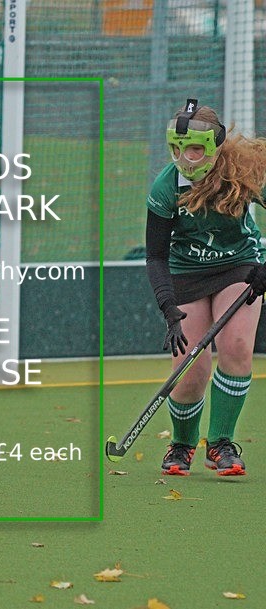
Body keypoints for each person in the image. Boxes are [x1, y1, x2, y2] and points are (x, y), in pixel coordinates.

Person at [146, 98, 266, 476]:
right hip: (186, 274)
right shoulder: (166, 187)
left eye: (196, 148)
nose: (186, 158)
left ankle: (221, 444)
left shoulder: (241, 171)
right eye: (177, 148)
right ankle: (181, 445)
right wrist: (168, 309)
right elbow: (156, 256)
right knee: (189, 368)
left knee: (236, 345)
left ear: (215, 146)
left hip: (238, 265)